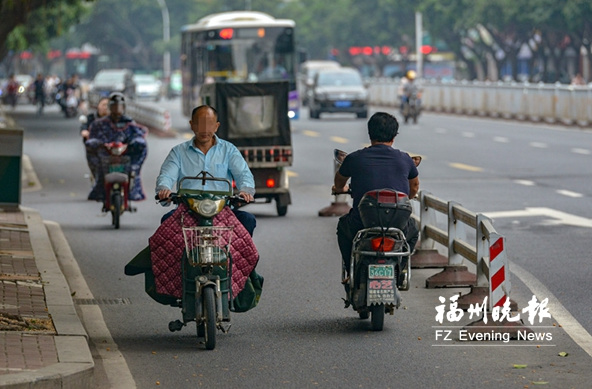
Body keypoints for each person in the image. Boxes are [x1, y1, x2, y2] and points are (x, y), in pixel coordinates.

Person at [332, 112, 419, 282]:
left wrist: (339, 188)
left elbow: (339, 181)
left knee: (343, 226)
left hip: (361, 223)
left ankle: (350, 272)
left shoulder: (354, 158)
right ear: (394, 136)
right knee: (413, 229)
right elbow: (414, 186)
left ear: (370, 133)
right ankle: (400, 269)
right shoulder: (405, 159)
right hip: (397, 225)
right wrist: (407, 197)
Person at [156, 105, 256, 236]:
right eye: (199, 124)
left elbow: (243, 174)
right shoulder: (178, 152)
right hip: (187, 211)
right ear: (192, 125)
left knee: (248, 220)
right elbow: (167, 175)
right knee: (167, 221)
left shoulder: (229, 150)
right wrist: (164, 189)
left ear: (216, 126)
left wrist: (246, 191)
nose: (204, 129)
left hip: (223, 210)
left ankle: (237, 256)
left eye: (209, 124)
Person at [85, 92, 147, 202]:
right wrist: (99, 144)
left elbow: (139, 135)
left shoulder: (130, 123)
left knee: (137, 159)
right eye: (114, 106)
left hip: (125, 154)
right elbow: (92, 138)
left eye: (119, 106)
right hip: (106, 155)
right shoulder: (99, 124)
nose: (117, 109)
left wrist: (134, 142)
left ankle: (133, 189)